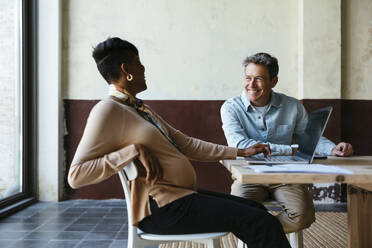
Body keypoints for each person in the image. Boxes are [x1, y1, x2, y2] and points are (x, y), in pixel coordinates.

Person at [67, 38, 291, 248]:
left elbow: (187, 144)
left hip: (180, 198)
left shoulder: (139, 109)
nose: (144, 69)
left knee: (256, 209)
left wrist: (240, 152)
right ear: (126, 70)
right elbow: (76, 176)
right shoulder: (107, 110)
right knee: (262, 223)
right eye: (139, 64)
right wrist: (131, 151)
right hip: (162, 210)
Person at [220, 52, 354, 233]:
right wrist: (290, 150)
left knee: (303, 215)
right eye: (248, 78)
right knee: (237, 212)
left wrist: (333, 148)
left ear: (273, 81)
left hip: (286, 175)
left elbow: (308, 138)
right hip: (248, 175)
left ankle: (262, 236)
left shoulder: (292, 106)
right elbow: (241, 145)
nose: (251, 85)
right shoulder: (231, 107)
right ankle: (267, 238)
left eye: (259, 79)